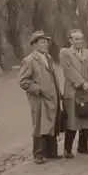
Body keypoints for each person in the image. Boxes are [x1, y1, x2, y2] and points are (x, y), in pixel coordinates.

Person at [19, 30, 64, 164]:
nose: (45, 44)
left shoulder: (48, 58)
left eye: (46, 42)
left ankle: (51, 152)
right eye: (41, 42)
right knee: (39, 124)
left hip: (52, 97)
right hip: (39, 100)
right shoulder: (30, 60)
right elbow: (23, 81)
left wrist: (58, 92)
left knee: (52, 123)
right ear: (34, 44)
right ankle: (38, 154)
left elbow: (53, 78)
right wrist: (38, 90)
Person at [59, 29, 88, 158]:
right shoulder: (65, 53)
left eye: (80, 39)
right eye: (76, 39)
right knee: (72, 121)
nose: (79, 41)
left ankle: (83, 146)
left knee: (85, 117)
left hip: (87, 92)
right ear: (70, 40)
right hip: (73, 91)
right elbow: (69, 71)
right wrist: (82, 83)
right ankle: (67, 149)